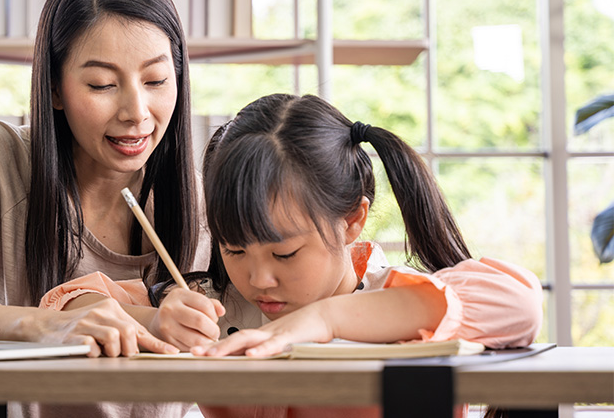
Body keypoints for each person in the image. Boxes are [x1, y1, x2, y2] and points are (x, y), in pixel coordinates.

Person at [41, 93, 543, 418]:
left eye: (284, 252)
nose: (258, 278)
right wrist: (154, 318)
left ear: (352, 221)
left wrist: (323, 319)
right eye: (234, 248)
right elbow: (67, 304)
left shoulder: (395, 298)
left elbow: (520, 304)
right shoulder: (218, 306)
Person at [0, 0, 210, 418]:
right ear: (54, 88)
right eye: (102, 84)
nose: (136, 112)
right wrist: (51, 324)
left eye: (156, 80)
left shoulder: (199, 196)